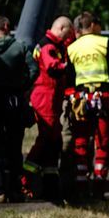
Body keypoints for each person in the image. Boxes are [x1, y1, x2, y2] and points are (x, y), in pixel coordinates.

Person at [0, 15, 38, 203]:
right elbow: (34, 70)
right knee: (14, 146)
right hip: (14, 101)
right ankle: (15, 190)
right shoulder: (19, 47)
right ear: (6, 26)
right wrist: (21, 86)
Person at [66, 11, 109, 198]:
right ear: (91, 26)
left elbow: (70, 76)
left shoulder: (72, 48)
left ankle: (81, 184)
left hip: (81, 99)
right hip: (104, 97)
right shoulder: (103, 43)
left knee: (80, 141)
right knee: (103, 142)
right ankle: (99, 184)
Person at [23, 15, 74, 201]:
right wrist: (67, 66)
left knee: (54, 141)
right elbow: (53, 67)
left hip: (51, 98)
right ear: (60, 28)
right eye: (67, 34)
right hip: (45, 98)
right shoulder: (48, 46)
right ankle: (25, 179)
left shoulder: (53, 45)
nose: (67, 39)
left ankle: (50, 185)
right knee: (46, 139)